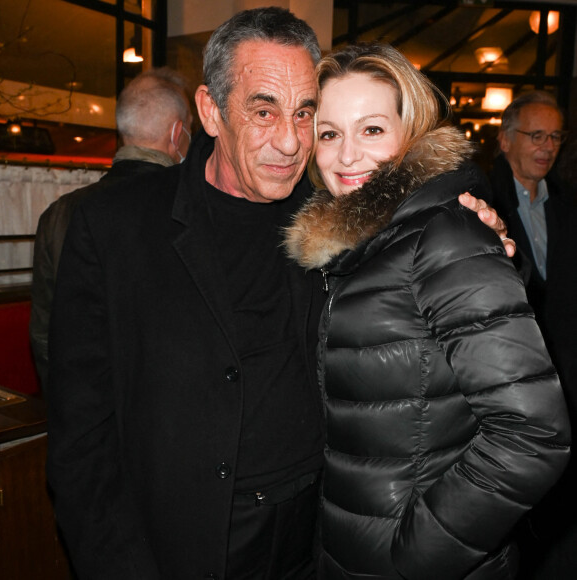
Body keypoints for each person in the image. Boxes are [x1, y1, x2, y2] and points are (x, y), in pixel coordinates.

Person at [46, 9, 514, 580]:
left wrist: (472, 225)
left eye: (304, 114)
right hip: (181, 546)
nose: (290, 141)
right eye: (263, 110)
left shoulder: (337, 220)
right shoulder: (115, 226)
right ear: (210, 112)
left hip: (317, 543)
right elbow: (82, 439)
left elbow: (420, 210)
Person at [284, 43, 570, 579]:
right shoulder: (349, 244)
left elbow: (533, 434)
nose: (346, 156)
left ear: (410, 131)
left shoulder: (443, 235)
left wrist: (417, 557)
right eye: (329, 133)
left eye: (371, 130)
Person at [29, 66, 192, 390]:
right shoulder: (189, 210)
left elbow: (45, 336)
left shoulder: (59, 214)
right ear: (178, 135)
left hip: (82, 410)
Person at [489, 92, 577, 578]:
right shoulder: (480, 205)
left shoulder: (567, 208)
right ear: (505, 140)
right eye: (535, 135)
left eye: (555, 136)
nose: (546, 146)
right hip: (509, 374)